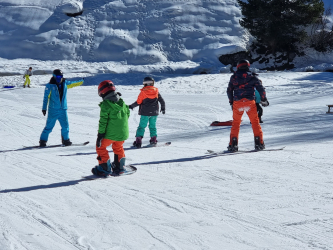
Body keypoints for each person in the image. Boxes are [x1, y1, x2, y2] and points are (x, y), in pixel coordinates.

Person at [227, 59, 269, 151]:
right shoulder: (253, 77)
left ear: (238, 66)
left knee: (236, 123)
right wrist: (264, 99)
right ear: (248, 66)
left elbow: (229, 90)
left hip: (237, 102)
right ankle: (259, 143)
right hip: (250, 102)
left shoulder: (233, 77)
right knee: (255, 122)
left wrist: (231, 102)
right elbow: (261, 88)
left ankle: (233, 144)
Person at [91, 80, 130, 176]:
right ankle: (120, 167)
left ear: (102, 92)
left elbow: (103, 122)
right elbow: (127, 115)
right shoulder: (122, 102)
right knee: (118, 147)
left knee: (100, 147)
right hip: (123, 133)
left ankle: (105, 168)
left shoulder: (106, 105)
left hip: (110, 135)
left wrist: (100, 135)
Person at [39, 69, 84, 147]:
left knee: (65, 126)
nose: (59, 78)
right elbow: (45, 97)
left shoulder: (65, 83)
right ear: (54, 76)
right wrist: (44, 108)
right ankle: (43, 141)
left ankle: (66, 140)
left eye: (61, 76)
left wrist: (81, 81)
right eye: (58, 76)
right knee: (49, 127)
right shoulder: (49, 85)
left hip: (63, 109)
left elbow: (73, 83)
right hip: (53, 110)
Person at [129, 76, 165, 148]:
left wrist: (131, 106)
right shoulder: (156, 91)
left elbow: (138, 102)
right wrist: (163, 108)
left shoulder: (143, 92)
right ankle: (153, 140)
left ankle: (138, 141)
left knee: (141, 127)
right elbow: (162, 101)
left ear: (144, 84)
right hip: (154, 113)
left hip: (145, 113)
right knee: (153, 126)